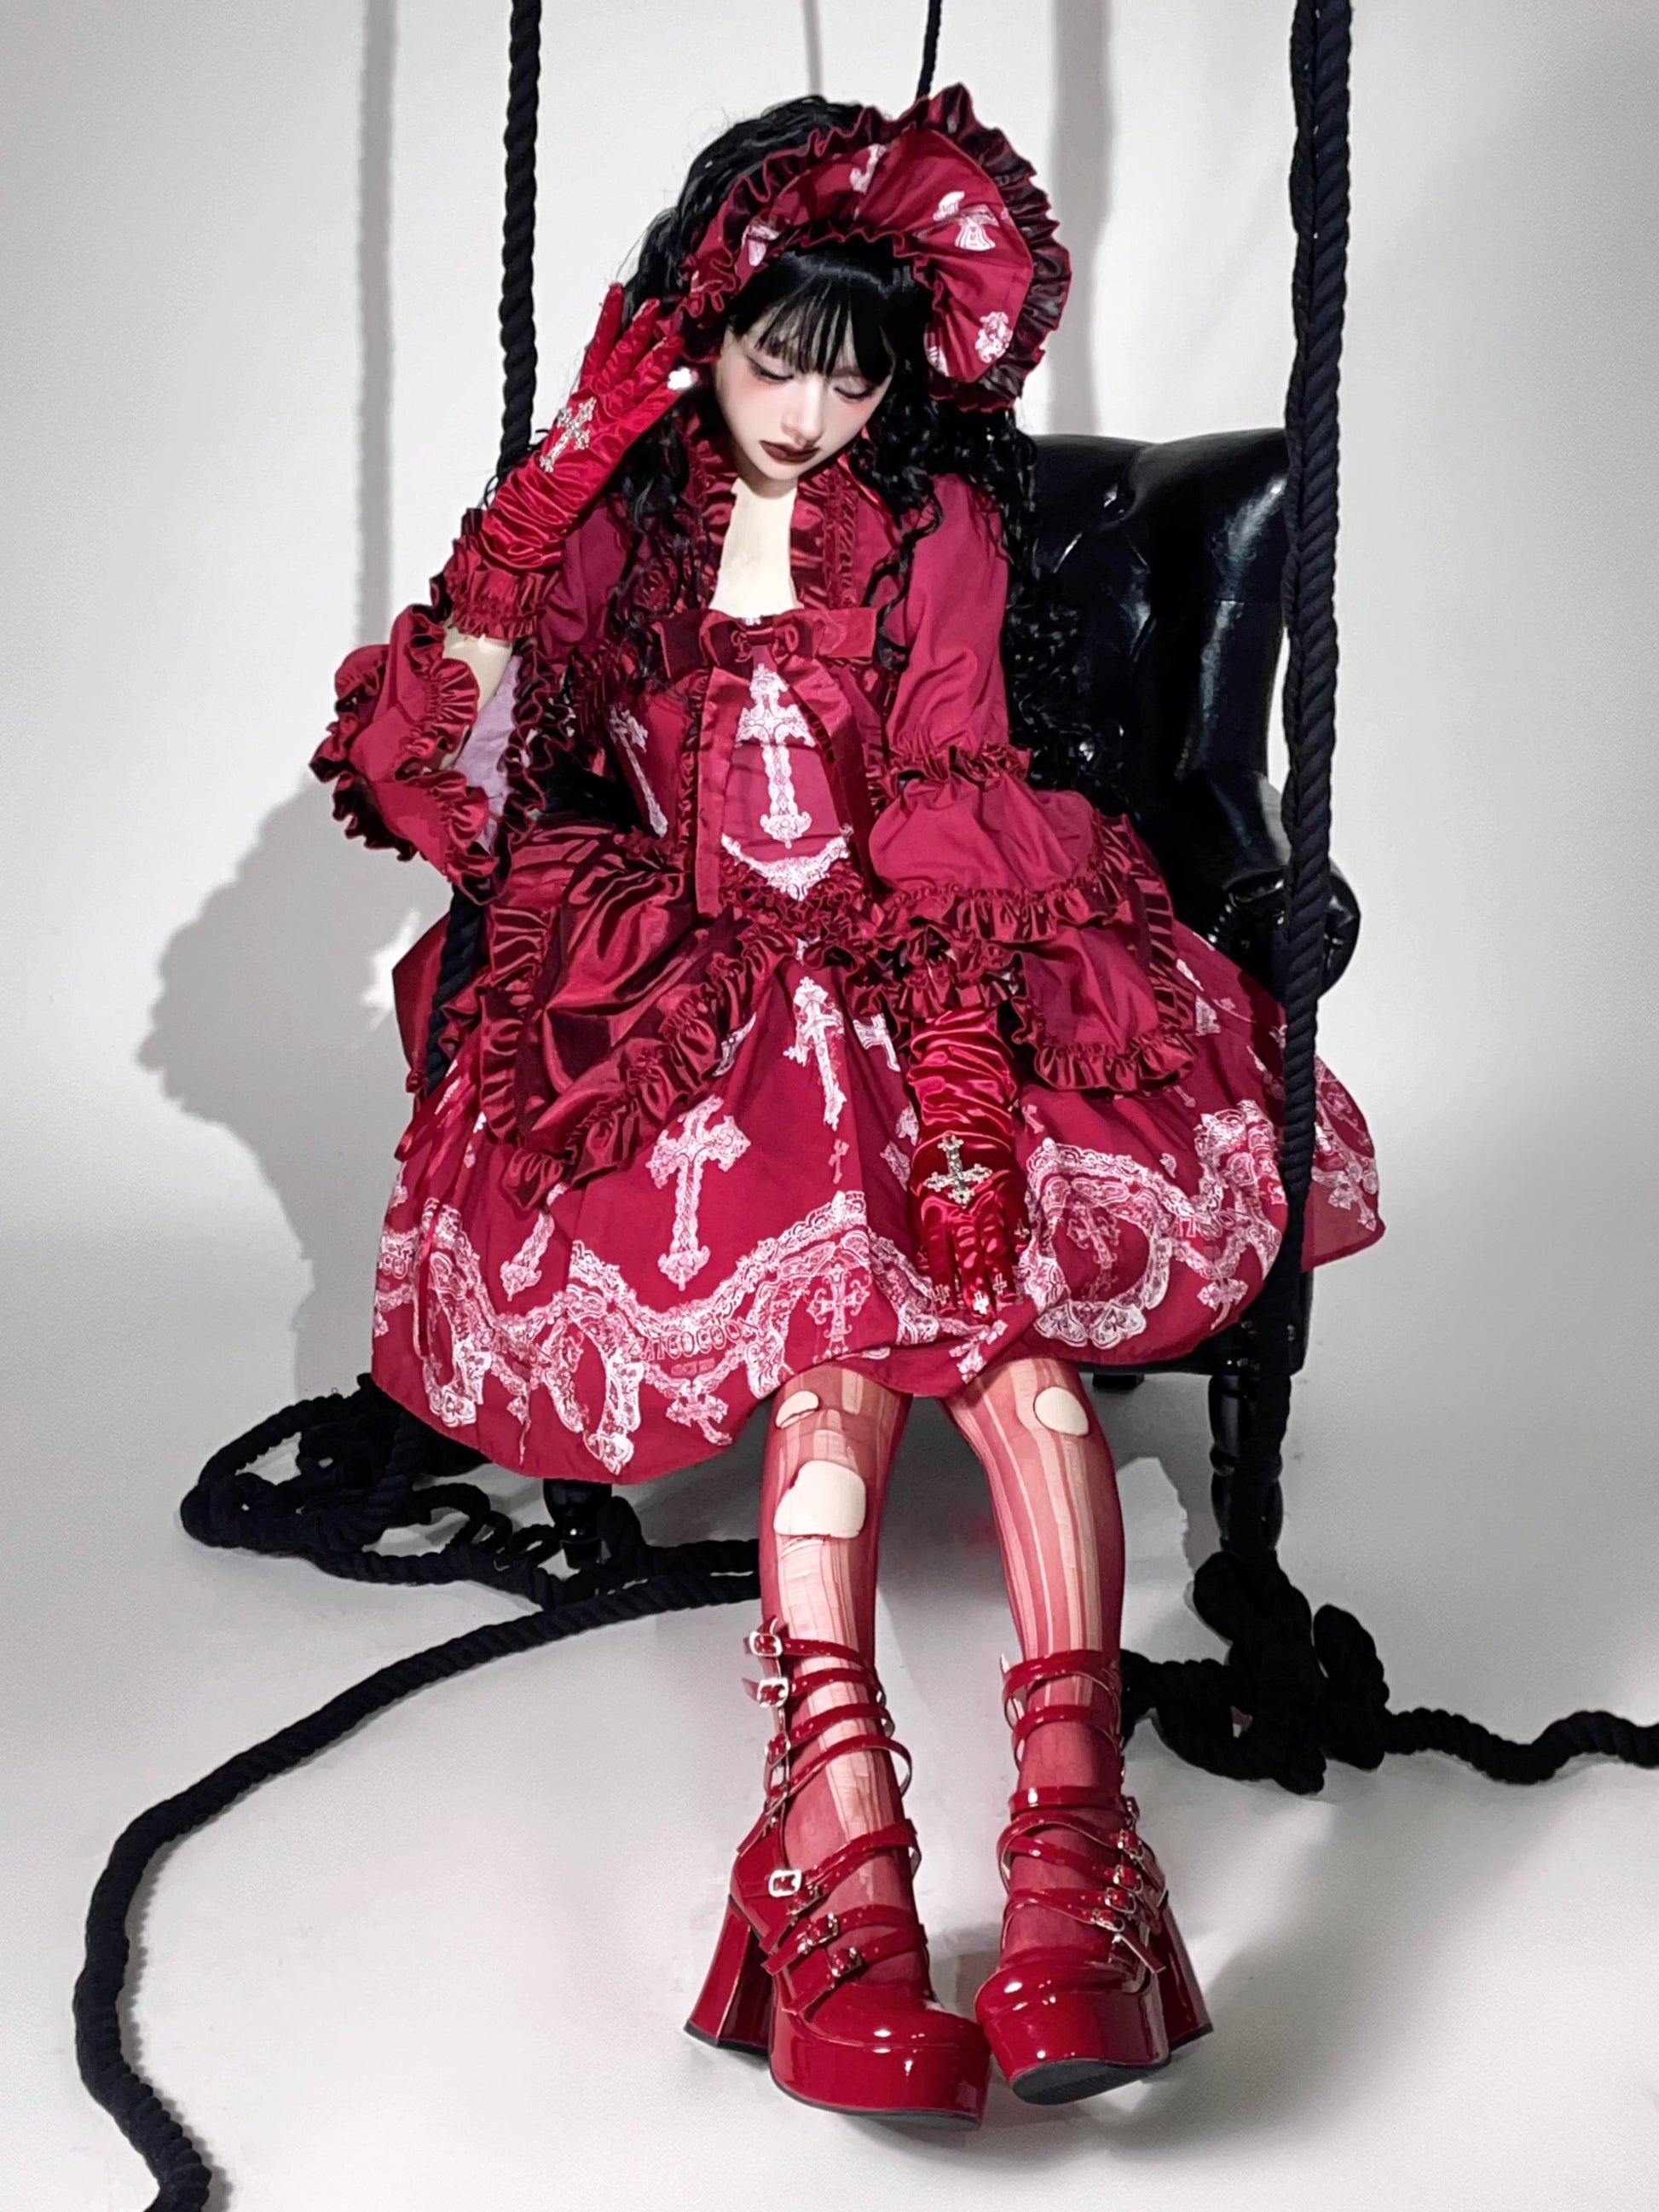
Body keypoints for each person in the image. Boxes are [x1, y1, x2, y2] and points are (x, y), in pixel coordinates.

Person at [313, 84, 1383, 2126]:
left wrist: (946, 1050)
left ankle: (1077, 1857)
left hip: (923, 953)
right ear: (699, 329)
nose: (811, 413)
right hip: (696, 976)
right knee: (832, 1378)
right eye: (775, 360)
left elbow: (954, 793)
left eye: (857, 374)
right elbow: (419, 745)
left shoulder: (933, 524)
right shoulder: (621, 527)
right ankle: (837, 1852)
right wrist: (567, 464)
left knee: (1017, 1365)